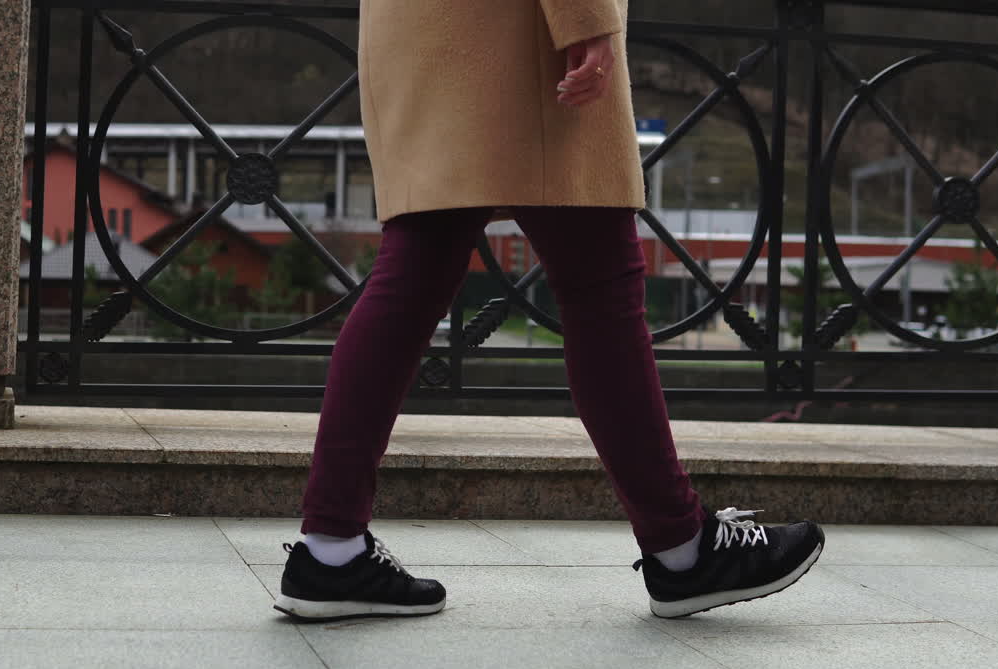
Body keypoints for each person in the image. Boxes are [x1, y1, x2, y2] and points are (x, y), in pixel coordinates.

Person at [273, 0, 824, 621]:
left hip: (421, 29)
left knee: (412, 279)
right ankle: (683, 549)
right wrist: (586, 16)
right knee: (600, 288)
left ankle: (331, 546)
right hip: (519, 36)